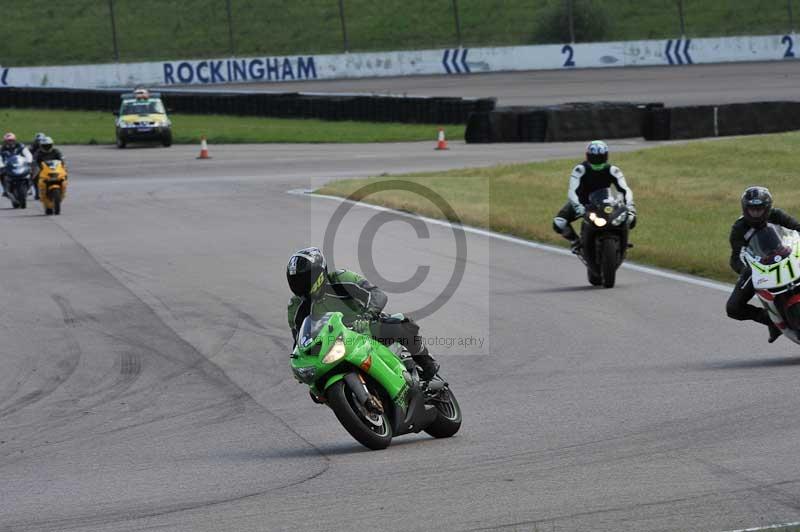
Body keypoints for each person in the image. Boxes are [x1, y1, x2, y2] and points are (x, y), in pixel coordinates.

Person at [286, 247, 439, 381]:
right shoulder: (296, 307)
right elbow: (299, 340)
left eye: (304, 279)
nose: (300, 285)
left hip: (365, 328)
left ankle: (426, 362)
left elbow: (377, 294)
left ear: (318, 273)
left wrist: (369, 315)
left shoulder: (341, 279)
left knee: (402, 326)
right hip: (333, 344)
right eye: (295, 281)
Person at [726, 186, 800, 343]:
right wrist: (745, 269)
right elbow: (734, 258)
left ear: (767, 208)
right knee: (733, 308)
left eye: (759, 209)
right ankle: (771, 321)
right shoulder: (739, 228)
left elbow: (797, 229)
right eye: (752, 209)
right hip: (758, 268)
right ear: (745, 209)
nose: (756, 213)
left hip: (787, 257)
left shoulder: (777, 215)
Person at [552, 140, 636, 252]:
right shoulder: (579, 170)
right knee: (559, 222)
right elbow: (572, 191)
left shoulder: (613, 170)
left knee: (631, 218)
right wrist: (578, 207)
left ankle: (622, 242)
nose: (597, 160)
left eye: (600, 157)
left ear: (606, 156)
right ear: (588, 156)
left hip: (606, 203)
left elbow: (625, 190)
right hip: (583, 203)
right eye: (594, 157)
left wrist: (630, 206)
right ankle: (575, 241)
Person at [0, 133, 32, 198]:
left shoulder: (21, 146)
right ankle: (6, 190)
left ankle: (29, 187)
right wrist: (1, 166)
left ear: (14, 140)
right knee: (1, 174)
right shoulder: (1, 149)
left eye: (11, 140)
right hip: (8, 166)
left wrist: (29, 162)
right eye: (8, 141)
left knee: (31, 171)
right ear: (5, 141)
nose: (10, 142)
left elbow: (28, 154)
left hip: (21, 165)